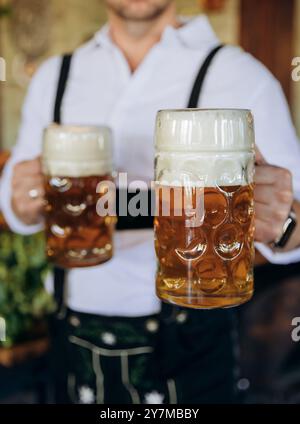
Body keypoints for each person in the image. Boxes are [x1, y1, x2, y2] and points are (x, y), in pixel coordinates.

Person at [1, 0, 300, 404]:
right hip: (69, 329)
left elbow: (293, 219)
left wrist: (283, 226)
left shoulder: (242, 75)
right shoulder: (53, 75)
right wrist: (19, 203)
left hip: (195, 338)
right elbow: (17, 203)